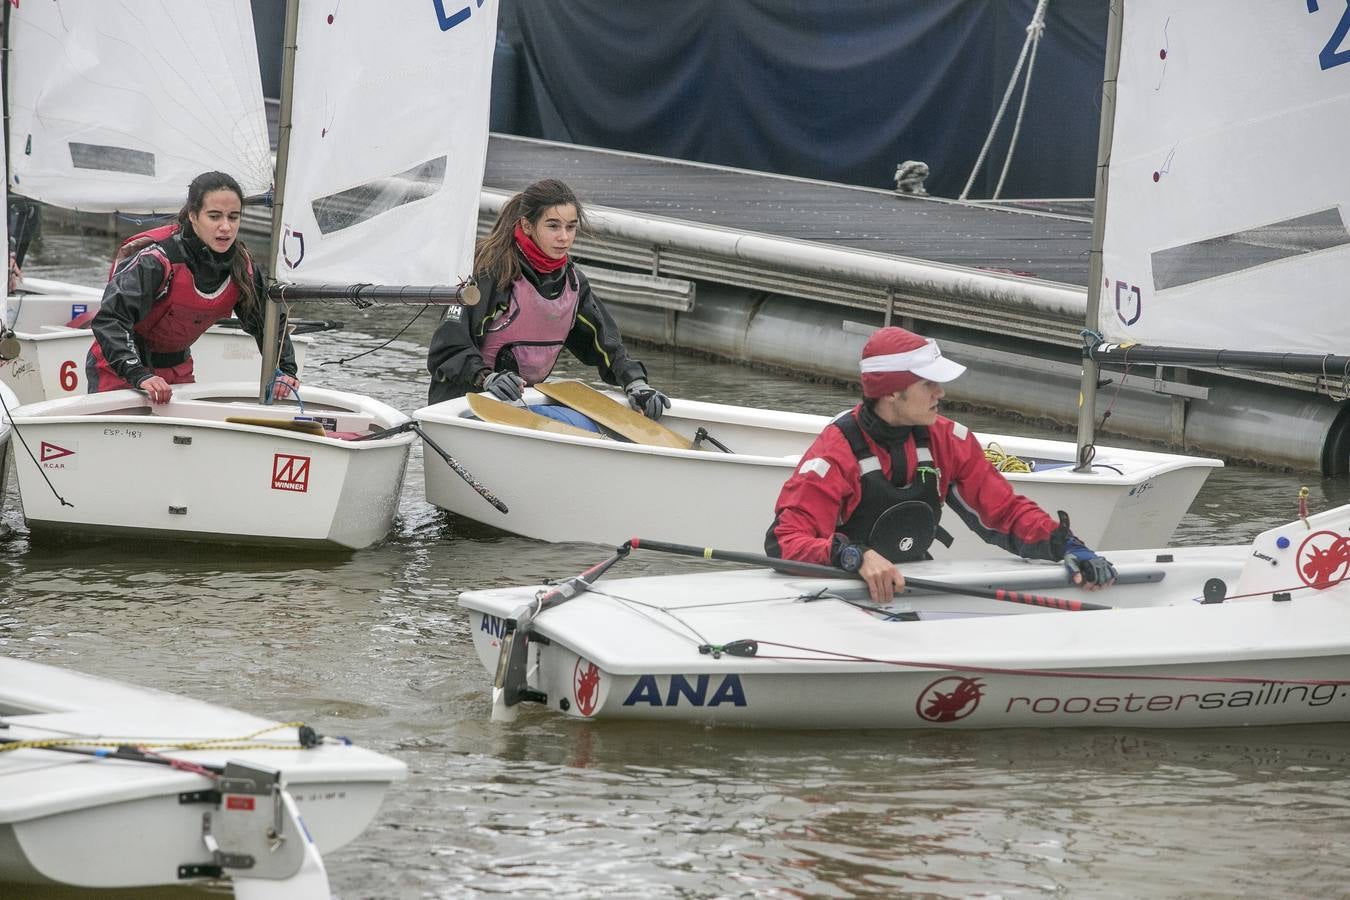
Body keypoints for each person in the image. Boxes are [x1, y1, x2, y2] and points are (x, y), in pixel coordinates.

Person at [765, 326, 1117, 602]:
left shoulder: (949, 439)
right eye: (928, 383)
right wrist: (853, 555)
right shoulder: (835, 453)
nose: (941, 394)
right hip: (839, 597)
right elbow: (785, 543)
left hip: (909, 587)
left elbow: (1004, 512)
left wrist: (1067, 545)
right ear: (891, 391)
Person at [426, 178, 668, 420]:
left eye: (571, 227)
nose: (564, 237)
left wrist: (636, 383)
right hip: (463, 405)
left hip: (518, 405)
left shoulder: (573, 284)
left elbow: (608, 348)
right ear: (527, 225)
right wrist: (486, 377)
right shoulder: (489, 272)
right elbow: (447, 349)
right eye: (553, 226)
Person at [85, 171, 297, 404]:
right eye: (214, 217)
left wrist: (285, 370)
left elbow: (266, 325)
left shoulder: (242, 268)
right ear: (194, 216)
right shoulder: (156, 261)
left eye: (233, 217)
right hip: (120, 371)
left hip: (177, 372)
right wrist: (139, 375)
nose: (225, 227)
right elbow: (110, 320)